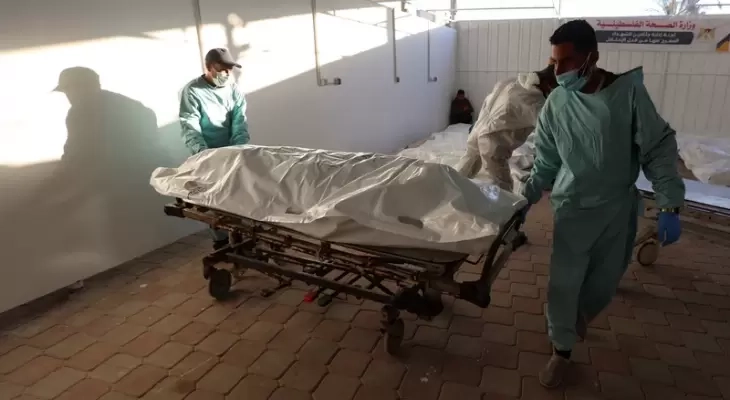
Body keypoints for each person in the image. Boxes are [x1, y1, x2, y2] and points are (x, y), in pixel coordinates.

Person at [520, 20, 685, 388]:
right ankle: (561, 348)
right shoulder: (557, 103)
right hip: (573, 206)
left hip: (617, 210)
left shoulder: (626, 95)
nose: (558, 71)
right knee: (564, 282)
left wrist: (669, 203)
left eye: (567, 61)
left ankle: (575, 320)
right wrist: (527, 197)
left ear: (591, 57)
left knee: (604, 283)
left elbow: (657, 147)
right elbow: (546, 159)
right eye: (554, 62)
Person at [179, 48, 250, 250]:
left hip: (232, 152)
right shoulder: (193, 91)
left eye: (229, 70)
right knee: (214, 199)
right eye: (221, 69)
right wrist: (204, 154)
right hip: (208, 153)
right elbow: (190, 125)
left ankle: (241, 238)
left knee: (237, 195)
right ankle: (221, 241)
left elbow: (239, 122)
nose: (226, 74)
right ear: (208, 67)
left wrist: (238, 150)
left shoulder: (233, 90)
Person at [455, 65, 557, 192]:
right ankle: (506, 206)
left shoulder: (510, 82)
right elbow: (549, 130)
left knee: (464, 169)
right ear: (548, 84)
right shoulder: (534, 101)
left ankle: (450, 191)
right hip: (493, 143)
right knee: (503, 187)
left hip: (478, 130)